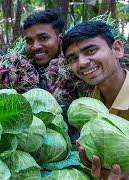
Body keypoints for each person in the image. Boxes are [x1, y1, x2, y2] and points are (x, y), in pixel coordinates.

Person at [62, 21, 129, 179]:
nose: (82, 62)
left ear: (117, 49)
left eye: (90, 50)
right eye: (73, 59)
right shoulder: (88, 107)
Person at [23, 9, 84, 142]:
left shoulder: (77, 71)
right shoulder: (20, 72)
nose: (35, 46)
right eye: (29, 41)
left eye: (43, 38)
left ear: (60, 38)